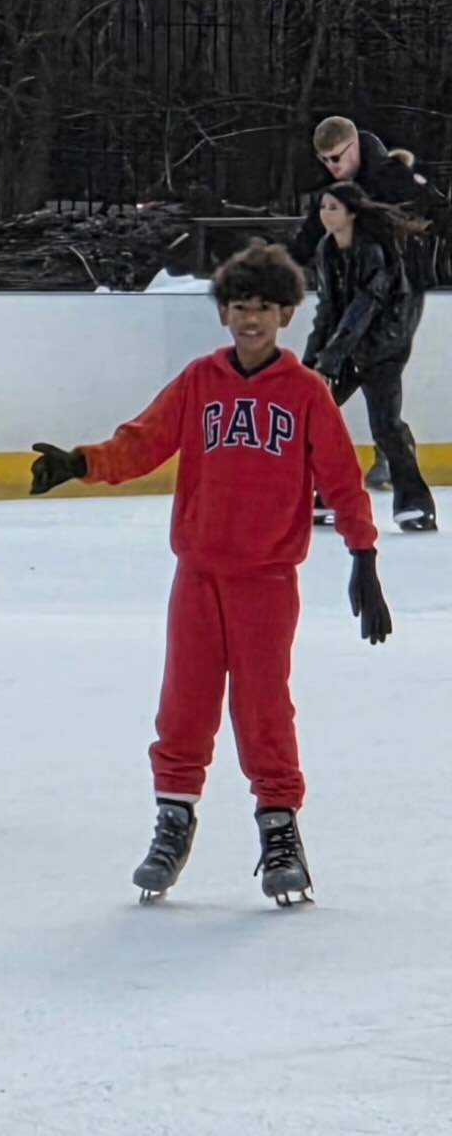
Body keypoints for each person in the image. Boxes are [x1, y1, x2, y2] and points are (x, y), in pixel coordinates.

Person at [28, 242, 392, 905]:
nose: (250, 320)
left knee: (263, 707)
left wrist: (364, 556)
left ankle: (279, 827)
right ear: (223, 312)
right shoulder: (199, 381)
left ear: (286, 313)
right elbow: (142, 441)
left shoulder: (307, 393)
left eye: (264, 309)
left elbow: (342, 479)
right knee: (184, 703)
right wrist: (79, 462)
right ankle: (172, 819)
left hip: (267, 581)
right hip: (198, 575)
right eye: (239, 308)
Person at [290, 116, 439, 490]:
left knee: (378, 363)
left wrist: (422, 257)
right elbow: (308, 241)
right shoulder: (333, 195)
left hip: (401, 292)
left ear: (354, 146)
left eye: (337, 158)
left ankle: (389, 458)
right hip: (358, 290)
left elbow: (437, 211)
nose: (332, 166)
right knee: (339, 378)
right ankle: (344, 472)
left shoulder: (390, 176)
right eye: (324, 160)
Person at [303, 181, 436, 532]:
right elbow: (328, 308)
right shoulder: (326, 250)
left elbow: (365, 307)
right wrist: (310, 363)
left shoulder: (374, 251)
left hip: (384, 347)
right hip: (345, 347)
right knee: (313, 416)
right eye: (322, 207)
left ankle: (416, 505)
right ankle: (325, 495)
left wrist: (330, 359)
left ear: (351, 213)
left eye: (332, 207)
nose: (325, 214)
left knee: (386, 426)